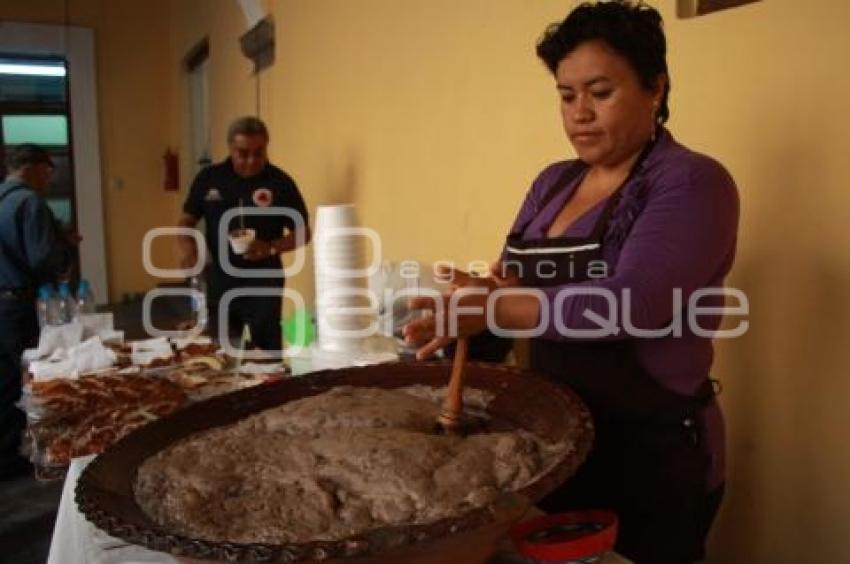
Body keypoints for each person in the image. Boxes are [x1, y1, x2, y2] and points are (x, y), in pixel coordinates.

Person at [404, 2, 739, 562]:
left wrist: (497, 308)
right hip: (557, 447)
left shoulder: (692, 182)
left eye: (600, 92)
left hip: (650, 460)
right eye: (566, 95)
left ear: (654, 88)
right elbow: (510, 283)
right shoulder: (553, 183)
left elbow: (631, 305)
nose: (579, 113)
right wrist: (470, 303)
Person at [177, 117, 311, 351]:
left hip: (264, 280)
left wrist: (270, 247)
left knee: (266, 351)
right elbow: (186, 221)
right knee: (222, 349)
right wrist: (189, 250)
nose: (251, 160)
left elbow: (303, 232)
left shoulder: (280, 182)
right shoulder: (209, 178)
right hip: (220, 278)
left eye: (258, 153)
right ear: (230, 148)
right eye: (243, 153)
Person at [0, 144, 73, 479]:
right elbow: (43, 257)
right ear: (34, 167)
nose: (49, 176)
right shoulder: (29, 202)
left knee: (4, 376)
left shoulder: (2, 197)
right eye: (49, 168)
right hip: (18, 304)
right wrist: (67, 247)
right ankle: (16, 456)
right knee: (26, 377)